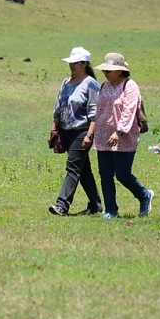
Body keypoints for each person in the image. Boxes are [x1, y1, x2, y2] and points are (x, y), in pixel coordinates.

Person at [92, 53, 154, 219]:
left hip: (124, 137)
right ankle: (111, 210)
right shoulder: (104, 86)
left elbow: (129, 109)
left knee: (122, 173)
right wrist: (92, 132)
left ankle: (144, 195)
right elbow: (98, 111)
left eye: (109, 70)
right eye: (105, 69)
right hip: (103, 136)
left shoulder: (129, 85)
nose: (106, 72)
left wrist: (119, 131)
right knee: (105, 174)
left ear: (119, 71)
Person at [49, 47, 103, 216]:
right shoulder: (66, 83)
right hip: (66, 130)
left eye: (75, 63)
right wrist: (54, 127)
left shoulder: (90, 84)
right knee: (83, 169)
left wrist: (89, 135)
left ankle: (62, 205)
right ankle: (95, 204)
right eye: (70, 62)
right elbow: (58, 106)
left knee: (72, 167)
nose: (72, 65)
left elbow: (95, 112)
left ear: (84, 63)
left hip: (82, 130)